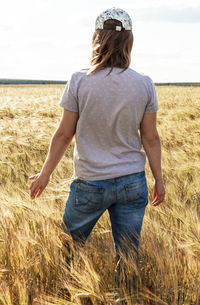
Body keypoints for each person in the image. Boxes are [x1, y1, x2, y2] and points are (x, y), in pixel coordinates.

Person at [29, 7, 165, 299]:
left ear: (97, 37)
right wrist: (159, 179)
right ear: (129, 41)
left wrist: (44, 174)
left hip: (89, 184)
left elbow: (65, 134)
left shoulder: (80, 80)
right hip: (132, 182)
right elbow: (151, 139)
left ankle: (64, 297)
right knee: (128, 256)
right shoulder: (144, 83)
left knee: (68, 250)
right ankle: (127, 298)